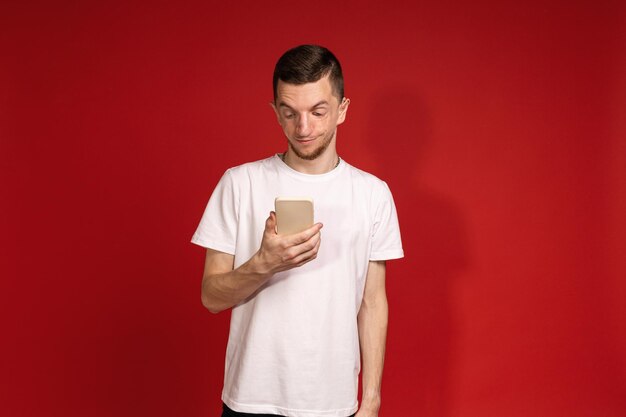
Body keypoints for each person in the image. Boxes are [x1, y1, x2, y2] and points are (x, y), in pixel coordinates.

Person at [192, 44, 403, 417]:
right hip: (249, 401)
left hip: (333, 404)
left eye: (318, 111)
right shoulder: (240, 184)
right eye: (289, 113)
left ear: (342, 109)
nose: (303, 128)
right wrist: (264, 264)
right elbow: (211, 296)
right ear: (275, 112)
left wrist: (370, 401)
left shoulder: (373, 193)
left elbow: (373, 302)